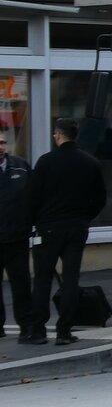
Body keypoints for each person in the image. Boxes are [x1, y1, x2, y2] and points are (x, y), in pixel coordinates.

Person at [24, 118, 106, 346]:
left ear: (59, 135)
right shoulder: (90, 163)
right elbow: (100, 198)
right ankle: (64, 331)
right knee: (71, 279)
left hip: (48, 227)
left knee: (42, 278)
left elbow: (32, 197)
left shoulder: (46, 162)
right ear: (76, 136)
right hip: (76, 227)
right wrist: (84, 217)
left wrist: (34, 222)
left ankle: (38, 330)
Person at [0, 133, 32, 341]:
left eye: (2, 142)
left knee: (21, 285)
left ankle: (26, 326)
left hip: (17, 237)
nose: (0, 147)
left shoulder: (20, 167)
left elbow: (35, 195)